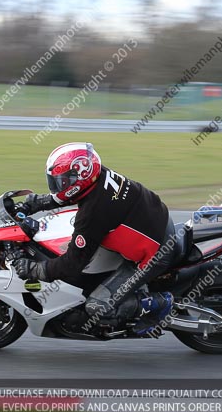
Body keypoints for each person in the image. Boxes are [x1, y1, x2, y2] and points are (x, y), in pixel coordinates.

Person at [9, 142, 175, 334]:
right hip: (154, 221)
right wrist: (37, 203)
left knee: (96, 306)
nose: (58, 186)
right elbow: (74, 192)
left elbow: (72, 264)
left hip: (154, 253)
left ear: (80, 177)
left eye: (62, 181)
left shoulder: (93, 213)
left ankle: (160, 304)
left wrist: (36, 269)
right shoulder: (97, 176)